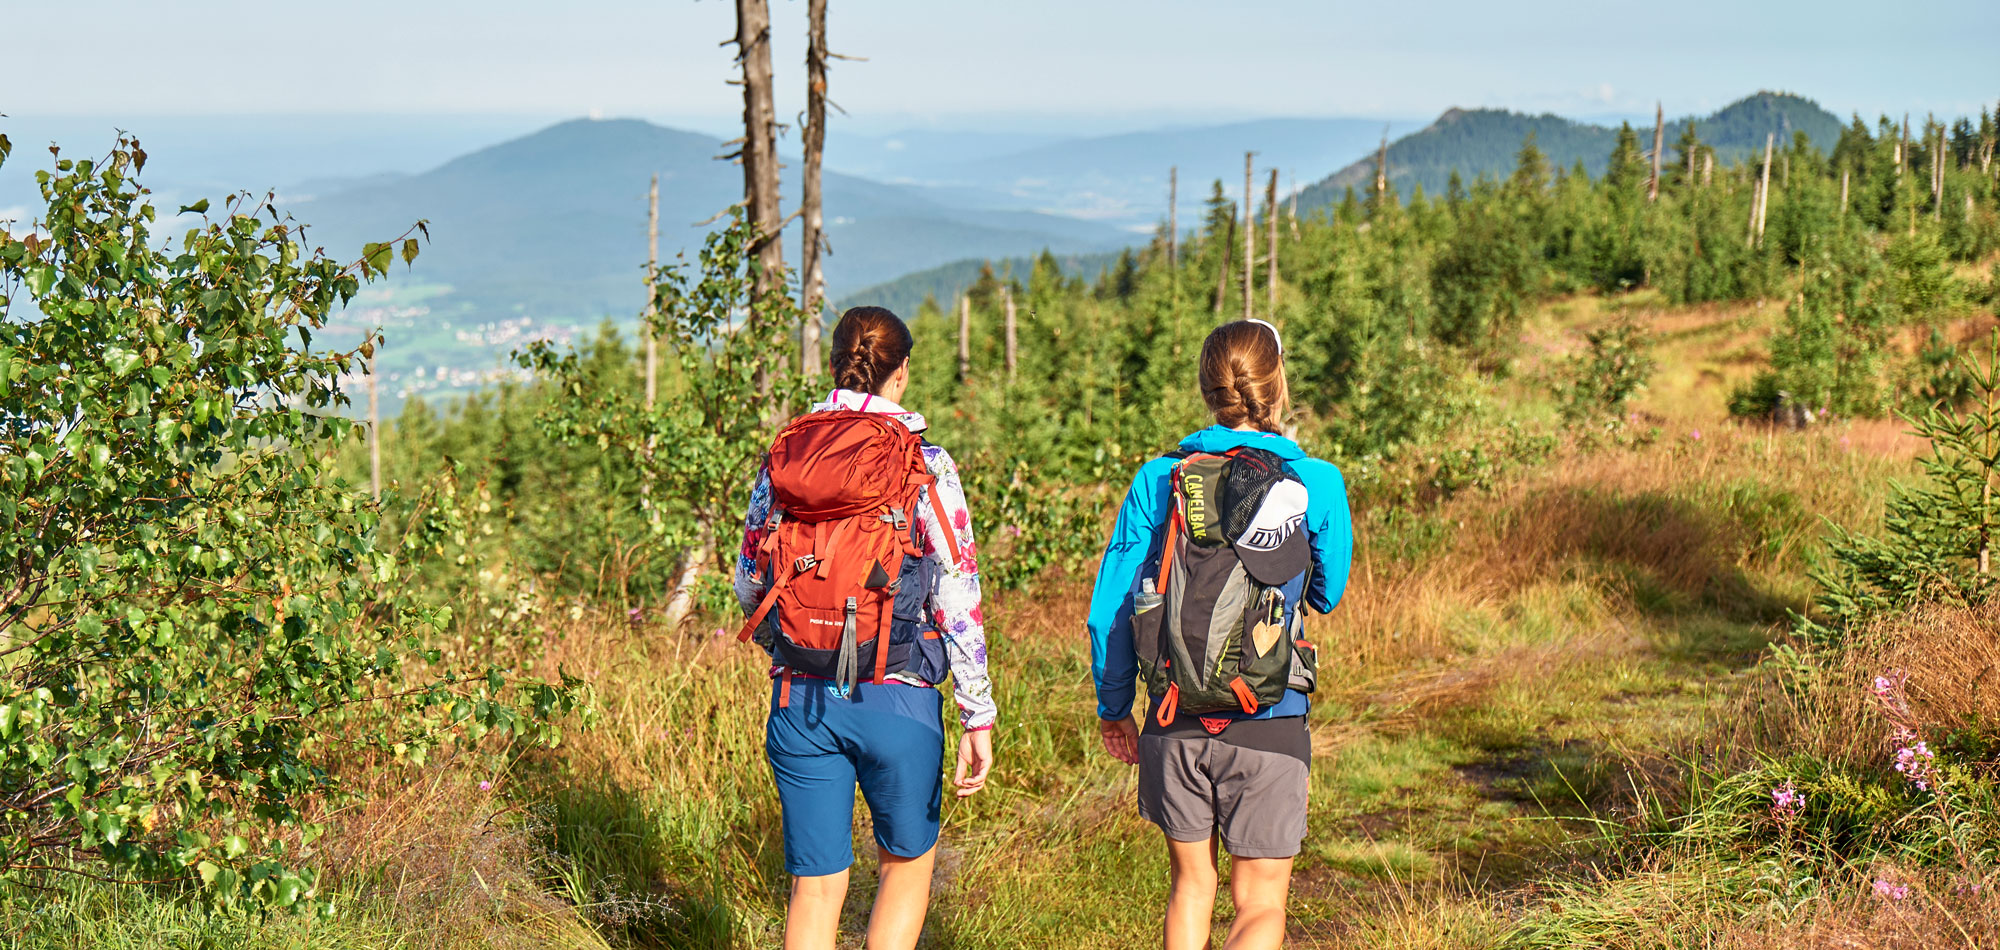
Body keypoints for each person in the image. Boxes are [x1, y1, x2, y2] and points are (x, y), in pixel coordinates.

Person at [734, 306, 996, 950]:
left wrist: (793, 645)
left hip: (801, 697)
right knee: (905, 870)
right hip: (897, 691)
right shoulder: (925, 462)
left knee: (816, 889)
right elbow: (958, 592)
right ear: (900, 373)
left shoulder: (787, 457)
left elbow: (748, 581)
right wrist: (976, 712)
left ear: (835, 366)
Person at [1086, 319, 1353, 950]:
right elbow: (1327, 592)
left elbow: (1111, 611)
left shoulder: (1158, 480)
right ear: (1277, 387)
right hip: (1270, 713)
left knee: (1190, 888)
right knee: (1259, 903)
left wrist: (1114, 706)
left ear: (1209, 388)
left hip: (1175, 713)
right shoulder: (1316, 481)